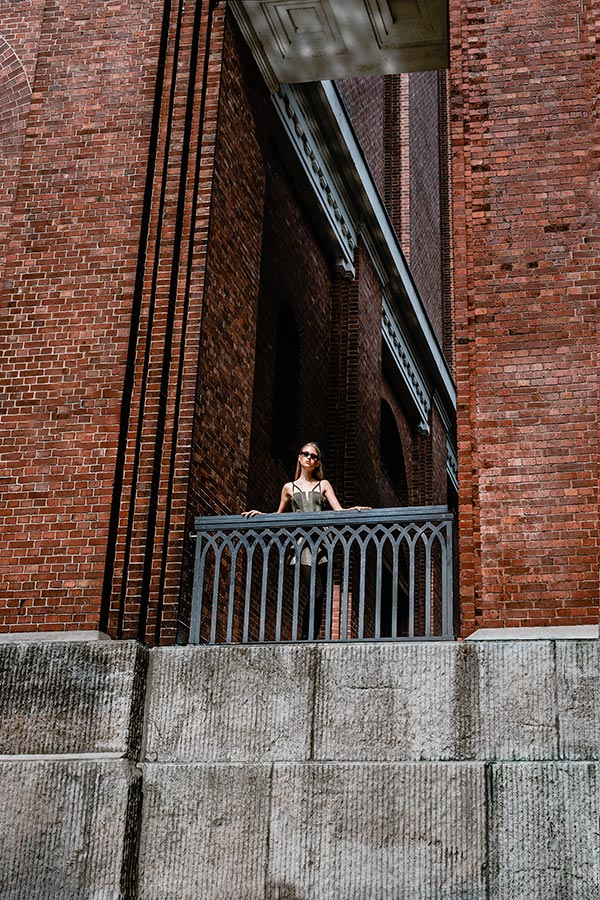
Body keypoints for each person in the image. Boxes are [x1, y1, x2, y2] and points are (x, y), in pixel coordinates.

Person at [244, 442, 370, 639]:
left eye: (314, 456)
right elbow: (279, 515)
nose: (309, 458)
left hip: (323, 543)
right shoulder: (289, 488)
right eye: (306, 454)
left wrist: (354, 510)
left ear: (317, 462)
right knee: (315, 591)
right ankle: (305, 638)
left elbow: (339, 511)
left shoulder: (323, 485)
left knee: (320, 595)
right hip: (302, 544)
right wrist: (261, 515)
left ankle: (312, 638)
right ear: (300, 458)